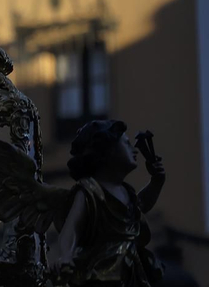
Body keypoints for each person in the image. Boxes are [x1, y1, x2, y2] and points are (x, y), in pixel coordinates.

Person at [52, 120, 167, 286]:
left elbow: (141, 205)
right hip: (103, 271)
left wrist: (157, 181)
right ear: (107, 151)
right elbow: (71, 229)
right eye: (126, 144)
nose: (134, 149)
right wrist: (66, 255)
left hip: (132, 271)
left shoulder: (127, 192)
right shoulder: (89, 191)